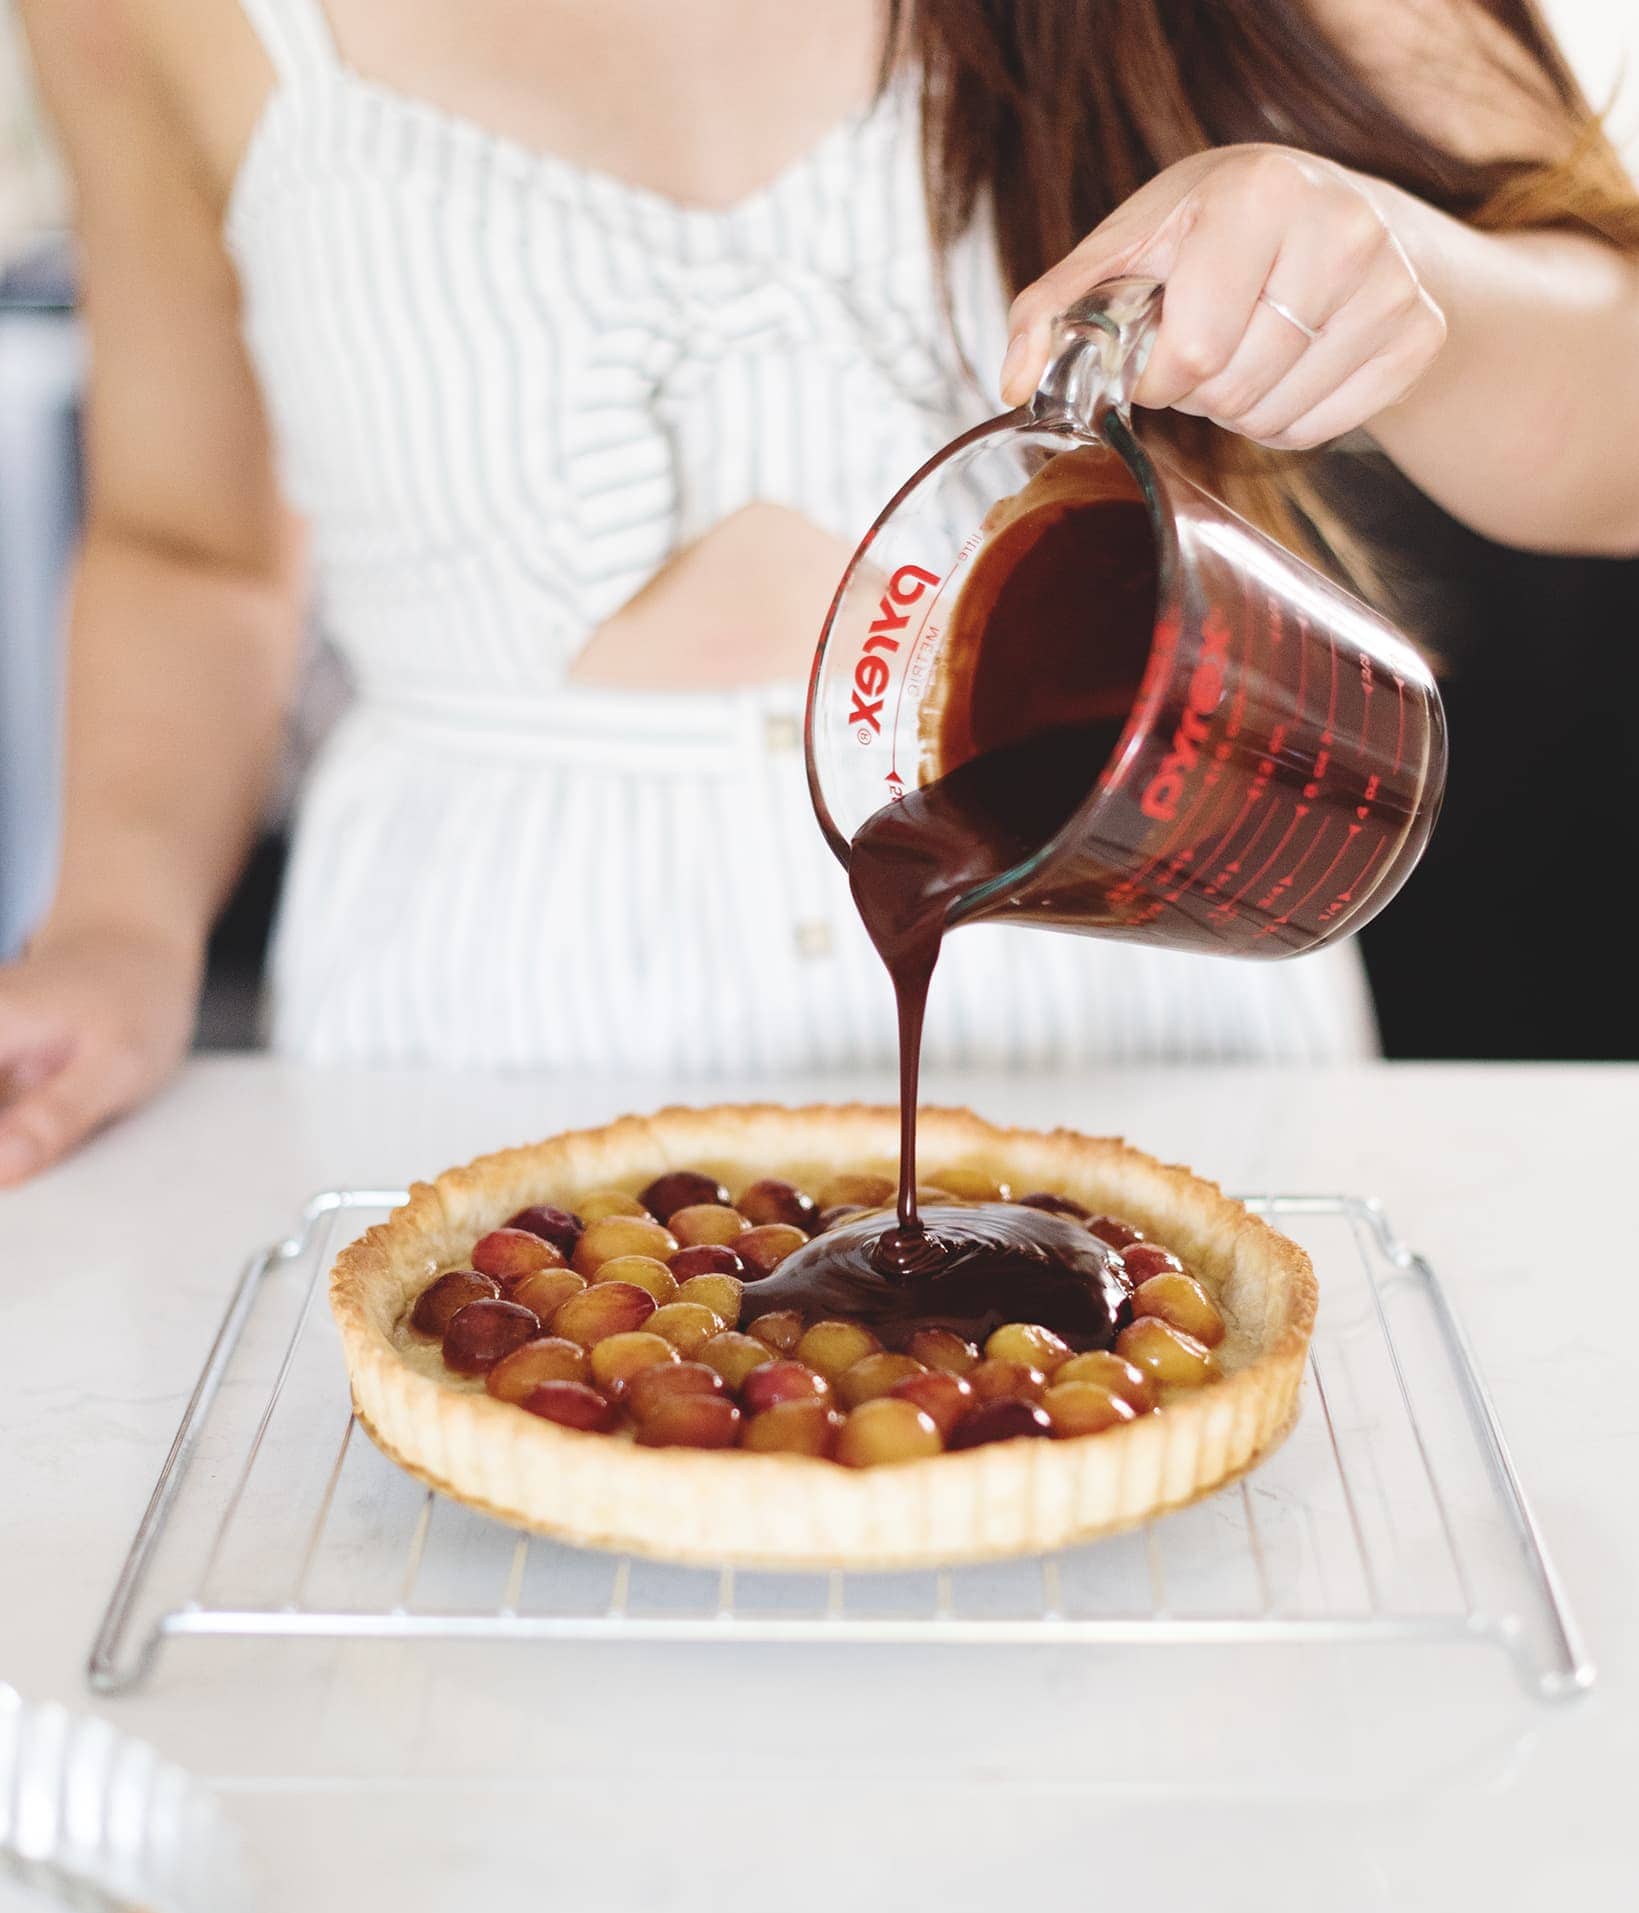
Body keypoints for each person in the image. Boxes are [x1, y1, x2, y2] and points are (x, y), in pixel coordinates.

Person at [2, 0, 1636, 1185]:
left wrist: (1406, 270)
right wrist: (117, 928)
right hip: (458, 1022)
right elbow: (191, 545)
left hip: (1136, 950)